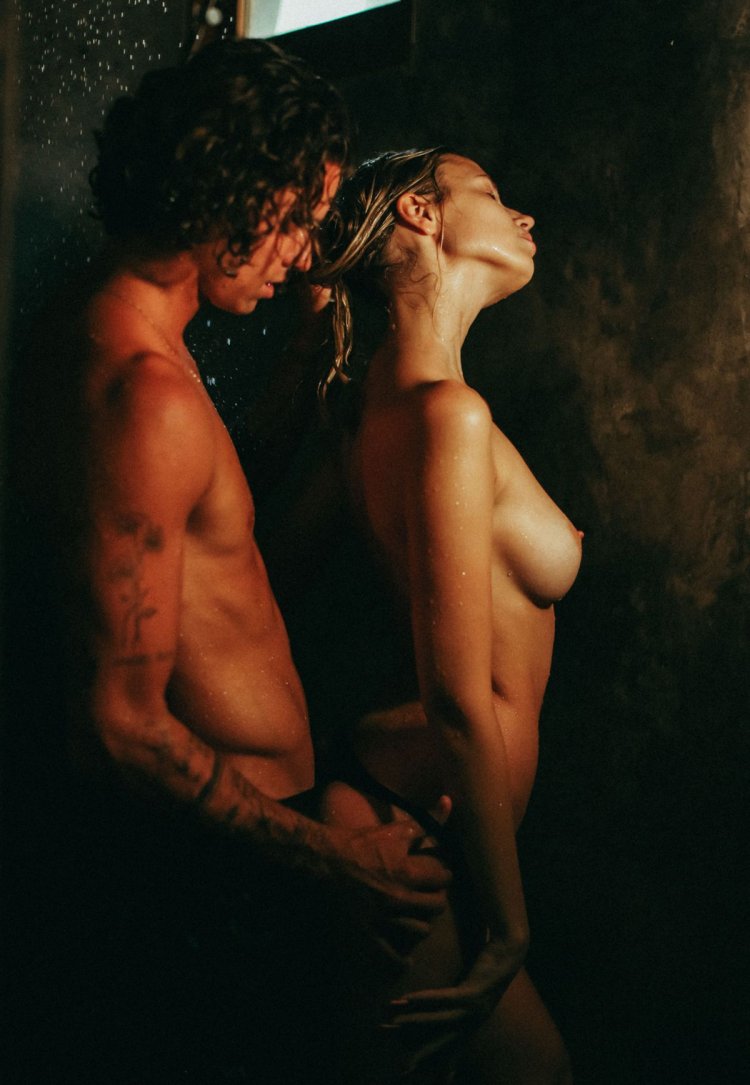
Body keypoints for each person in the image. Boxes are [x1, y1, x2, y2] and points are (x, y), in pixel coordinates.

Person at [6, 47, 451, 1085]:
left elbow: (200, 516)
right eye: (296, 218)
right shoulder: (139, 390)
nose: (302, 252)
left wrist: (301, 363)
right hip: (222, 878)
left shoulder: (104, 332)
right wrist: (337, 858)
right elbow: (118, 728)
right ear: (234, 188)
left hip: (238, 859)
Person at [313, 148, 582, 1083]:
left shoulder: (380, 408)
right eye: (494, 196)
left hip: (422, 818)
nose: (524, 217)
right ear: (423, 214)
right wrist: (509, 930)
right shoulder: (445, 415)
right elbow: (459, 699)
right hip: (408, 837)